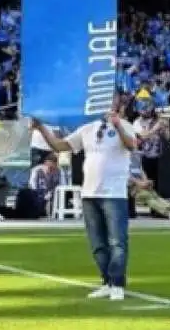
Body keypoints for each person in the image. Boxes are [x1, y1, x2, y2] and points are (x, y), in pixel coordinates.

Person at [32, 109, 136, 301]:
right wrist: (41, 128)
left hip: (114, 193)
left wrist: (118, 125)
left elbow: (132, 145)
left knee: (117, 242)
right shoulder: (87, 128)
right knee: (97, 243)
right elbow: (60, 146)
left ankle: (118, 284)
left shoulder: (125, 125)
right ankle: (107, 281)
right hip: (89, 193)